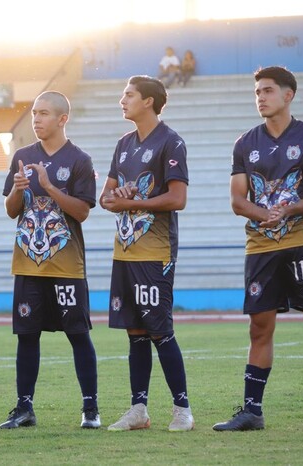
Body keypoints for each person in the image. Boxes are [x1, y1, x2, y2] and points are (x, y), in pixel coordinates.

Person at [213, 66, 303, 432]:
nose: (261, 97)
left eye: (268, 90)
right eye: (257, 91)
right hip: (260, 246)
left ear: (288, 95)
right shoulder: (245, 143)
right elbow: (237, 200)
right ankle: (252, 412)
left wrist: (287, 209)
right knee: (259, 328)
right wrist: (265, 214)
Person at [0, 91, 101, 430]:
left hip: (67, 267)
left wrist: (48, 186)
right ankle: (24, 408)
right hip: (27, 264)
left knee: (78, 334)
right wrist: (17, 188)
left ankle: (90, 410)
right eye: (33, 113)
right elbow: (12, 210)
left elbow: (82, 211)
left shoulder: (79, 160)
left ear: (62, 119)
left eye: (43, 113)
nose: (36, 119)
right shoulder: (23, 156)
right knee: (27, 337)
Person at [99, 76, 194, 432]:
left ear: (149, 101)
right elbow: (106, 198)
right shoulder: (123, 144)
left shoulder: (171, 142)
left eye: (129, 94)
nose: (122, 99)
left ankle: (182, 409)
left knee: (160, 330)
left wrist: (131, 201)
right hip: (124, 251)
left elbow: (177, 199)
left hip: (156, 250)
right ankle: (138, 409)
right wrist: (118, 197)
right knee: (134, 331)